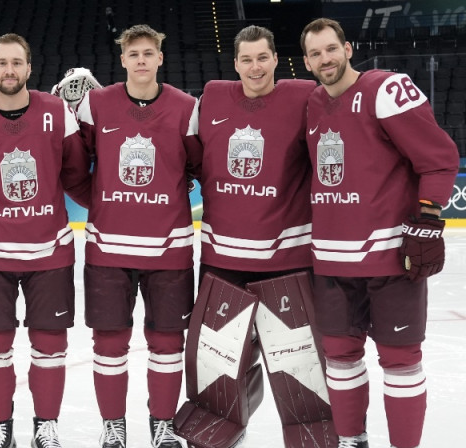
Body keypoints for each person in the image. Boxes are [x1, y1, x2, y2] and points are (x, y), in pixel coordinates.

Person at [175, 25, 337, 448]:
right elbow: (177, 147)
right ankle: (220, 436)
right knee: (219, 365)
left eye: (262, 58)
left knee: (300, 366)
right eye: (246, 59)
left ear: (276, 60)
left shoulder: (304, 96)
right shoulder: (210, 96)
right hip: (222, 259)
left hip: (289, 261)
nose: (255, 67)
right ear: (234, 64)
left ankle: (315, 439)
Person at [300, 18, 459, 448]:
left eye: (331, 48)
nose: (325, 59)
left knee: (401, 360)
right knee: (339, 357)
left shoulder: (384, 89)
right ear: (306, 61)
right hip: (332, 261)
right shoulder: (311, 103)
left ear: (348, 48)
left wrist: (427, 217)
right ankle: (352, 440)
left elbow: (440, 156)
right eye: (315, 53)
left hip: (391, 258)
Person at [0, 33, 91, 448]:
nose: (9, 70)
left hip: (49, 251)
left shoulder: (57, 112)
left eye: (17, 63)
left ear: (29, 68)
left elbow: (78, 177)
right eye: (1, 63)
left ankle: (46, 426)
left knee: (50, 344)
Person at [74, 24, 202, 448]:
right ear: (123, 59)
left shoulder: (186, 107)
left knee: (167, 341)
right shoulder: (97, 104)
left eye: (149, 53)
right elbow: (73, 166)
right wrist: (99, 203)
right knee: (109, 342)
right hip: (108, 247)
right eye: (134, 54)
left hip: (170, 247)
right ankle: (114, 426)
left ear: (160, 58)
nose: (142, 60)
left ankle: (162, 424)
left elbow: (199, 165)